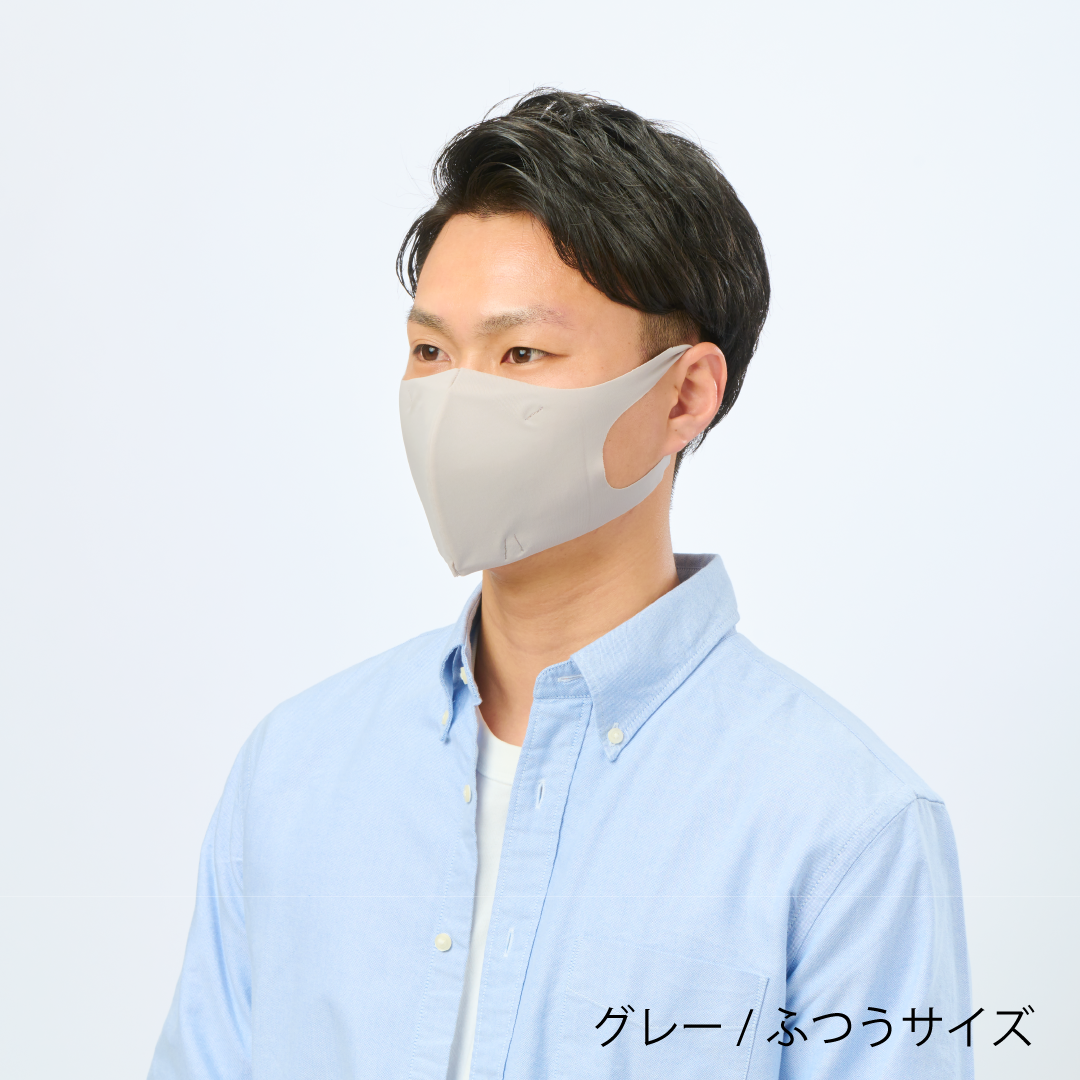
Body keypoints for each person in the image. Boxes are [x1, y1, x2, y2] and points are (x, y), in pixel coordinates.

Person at [149, 90, 972, 1080]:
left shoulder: (844, 828)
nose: (456, 401)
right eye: (430, 351)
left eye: (522, 353)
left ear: (684, 395)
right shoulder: (295, 772)